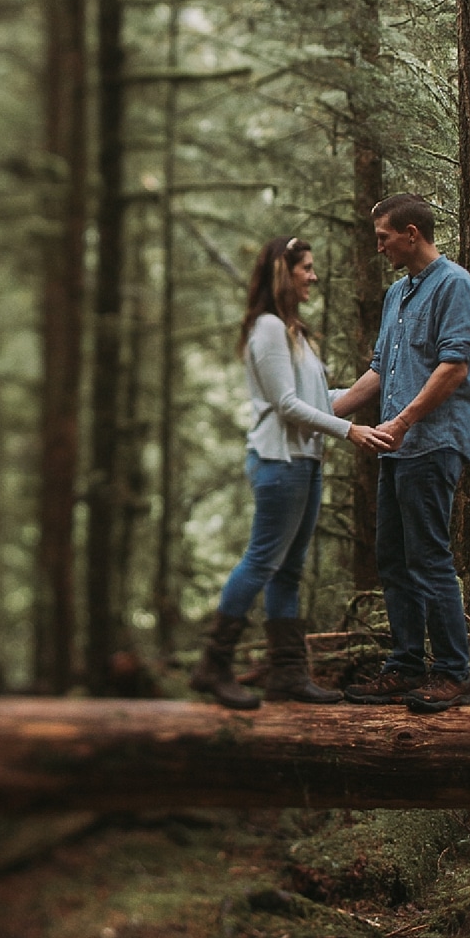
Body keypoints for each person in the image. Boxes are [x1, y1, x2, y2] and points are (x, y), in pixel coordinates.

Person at [190, 235, 389, 710]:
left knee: (289, 569)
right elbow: (286, 406)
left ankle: (287, 674)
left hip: (304, 462)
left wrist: (377, 380)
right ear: (286, 271)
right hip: (280, 464)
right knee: (262, 560)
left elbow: (318, 400)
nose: (314, 277)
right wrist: (350, 433)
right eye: (307, 268)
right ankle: (213, 664)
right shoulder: (268, 330)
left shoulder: (294, 332)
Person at [333, 193, 470, 714]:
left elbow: (454, 367)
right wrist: (325, 404)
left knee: (428, 557)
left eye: (383, 238)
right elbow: (378, 371)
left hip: (432, 442)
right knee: (393, 558)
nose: (379, 248)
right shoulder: (397, 296)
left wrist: (401, 422)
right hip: (395, 448)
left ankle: (453, 673)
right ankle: (404, 666)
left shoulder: (456, 286)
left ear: (412, 234)